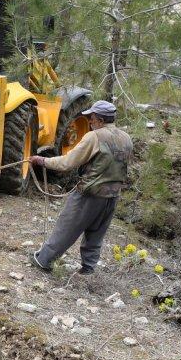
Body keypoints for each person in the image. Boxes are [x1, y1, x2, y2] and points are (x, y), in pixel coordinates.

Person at [27, 100, 133, 275]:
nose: (90, 122)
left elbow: (67, 163)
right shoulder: (126, 138)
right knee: (96, 234)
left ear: (99, 119)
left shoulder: (95, 137)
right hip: (112, 195)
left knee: (66, 228)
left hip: (89, 194)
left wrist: (42, 161)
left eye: (91, 118)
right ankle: (88, 269)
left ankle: (43, 261)